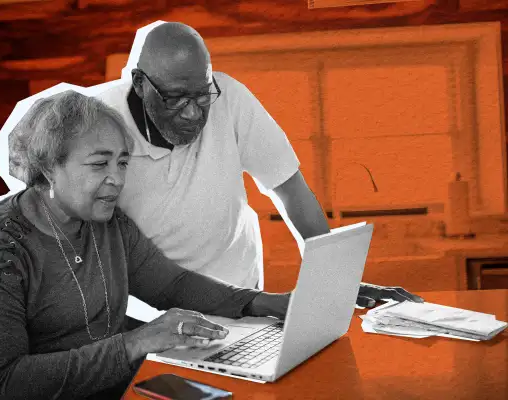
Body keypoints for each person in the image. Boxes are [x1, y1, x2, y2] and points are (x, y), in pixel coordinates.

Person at [0, 90, 289, 400]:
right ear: (50, 167)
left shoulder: (109, 224)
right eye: (100, 164)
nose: (116, 179)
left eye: (122, 162)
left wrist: (264, 303)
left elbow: (173, 285)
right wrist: (134, 344)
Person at [93, 21, 424, 308]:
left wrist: (335, 281)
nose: (193, 113)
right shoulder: (99, 123)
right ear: (139, 83)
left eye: (202, 96)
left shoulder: (231, 100)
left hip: (239, 294)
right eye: (176, 98)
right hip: (147, 305)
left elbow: (291, 189)